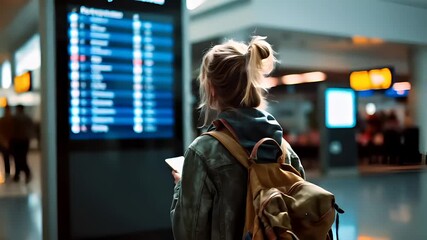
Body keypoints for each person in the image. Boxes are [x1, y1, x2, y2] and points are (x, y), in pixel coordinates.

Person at [170, 36, 305, 240]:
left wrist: (182, 186)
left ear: (212, 90)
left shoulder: (203, 152)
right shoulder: (283, 148)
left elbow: (187, 233)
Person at [10, 104, 35, 183]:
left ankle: (23, 173)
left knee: (18, 158)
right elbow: (31, 129)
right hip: (24, 140)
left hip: (17, 140)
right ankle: (18, 174)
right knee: (22, 157)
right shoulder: (27, 118)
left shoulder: (15, 118)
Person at [0, 105, 14, 179]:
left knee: (14, 158)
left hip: (12, 141)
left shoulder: (12, 120)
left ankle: (10, 173)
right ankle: (7, 172)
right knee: (6, 158)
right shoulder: (3, 120)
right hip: (5, 142)